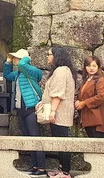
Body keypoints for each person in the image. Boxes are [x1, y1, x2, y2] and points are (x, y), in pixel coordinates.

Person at [3, 49, 46, 177]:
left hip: (31, 109)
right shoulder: (17, 74)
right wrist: (8, 62)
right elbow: (6, 75)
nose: (15, 60)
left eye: (17, 58)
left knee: (35, 138)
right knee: (29, 139)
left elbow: (23, 65)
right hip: (21, 110)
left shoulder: (33, 72)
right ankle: (34, 166)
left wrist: (25, 57)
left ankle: (42, 168)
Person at [42, 46, 75, 178]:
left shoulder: (61, 71)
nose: (48, 57)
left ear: (56, 56)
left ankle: (65, 172)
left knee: (62, 142)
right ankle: (61, 169)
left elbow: (57, 94)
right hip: (59, 112)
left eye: (49, 54)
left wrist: (53, 111)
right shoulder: (64, 70)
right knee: (60, 140)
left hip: (60, 113)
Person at [75, 56, 104, 138]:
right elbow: (82, 96)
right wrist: (78, 101)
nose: (91, 68)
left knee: (98, 145)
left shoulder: (100, 80)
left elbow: (102, 96)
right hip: (87, 117)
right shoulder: (86, 80)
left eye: (94, 66)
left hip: (97, 118)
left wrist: (84, 103)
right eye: (89, 66)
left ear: (98, 67)